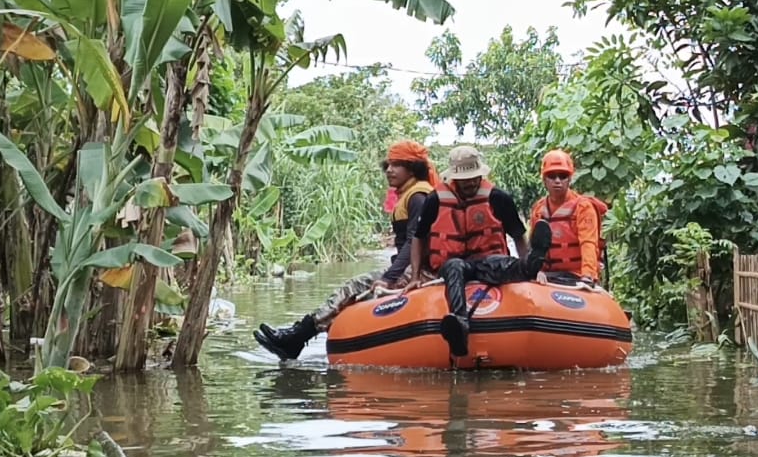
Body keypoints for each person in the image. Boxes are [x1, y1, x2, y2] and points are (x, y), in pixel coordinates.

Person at [253, 140, 441, 361]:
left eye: (397, 165)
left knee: (353, 287)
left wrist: (389, 278)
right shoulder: (410, 194)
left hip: (420, 271)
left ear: (412, 168)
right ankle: (297, 336)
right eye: (388, 165)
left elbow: (414, 242)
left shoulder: (418, 196)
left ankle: (298, 336)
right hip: (409, 267)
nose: (389, 170)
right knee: (355, 289)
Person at [410, 145, 552, 358]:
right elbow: (418, 237)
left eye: (473, 178)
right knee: (454, 267)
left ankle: (530, 265)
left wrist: (533, 270)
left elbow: (517, 236)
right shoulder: (435, 199)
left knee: (500, 263)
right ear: (455, 178)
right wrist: (415, 276)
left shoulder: (497, 197)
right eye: (464, 179)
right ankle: (460, 325)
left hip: (487, 261)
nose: (470, 183)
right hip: (454, 263)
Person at [527, 149, 608, 286]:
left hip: (578, 275)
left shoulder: (583, 207)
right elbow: (535, 247)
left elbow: (588, 243)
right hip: (547, 276)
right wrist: (536, 271)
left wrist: (587, 276)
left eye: (563, 176)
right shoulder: (539, 209)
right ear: (544, 179)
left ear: (569, 179)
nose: (557, 181)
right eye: (552, 176)